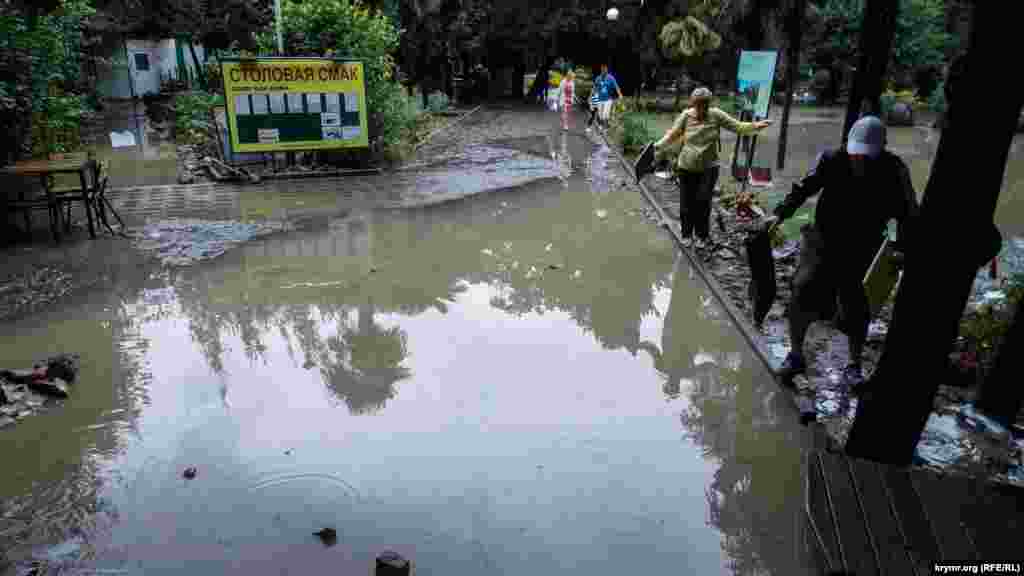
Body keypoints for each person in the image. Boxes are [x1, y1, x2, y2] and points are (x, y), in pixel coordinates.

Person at [761, 115, 919, 388]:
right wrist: (780, 215)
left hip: (863, 245)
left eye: (866, 157)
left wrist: (902, 248)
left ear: (882, 150)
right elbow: (804, 188)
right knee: (802, 291)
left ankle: (854, 364)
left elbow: (908, 214)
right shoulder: (832, 159)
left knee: (858, 304)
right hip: (823, 239)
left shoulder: (895, 170)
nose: (859, 161)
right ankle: (796, 354)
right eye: (856, 155)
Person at [652, 87, 772, 249]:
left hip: (709, 168)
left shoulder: (716, 114)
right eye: (698, 105)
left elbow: (737, 126)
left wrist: (756, 126)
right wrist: (657, 146)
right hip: (686, 167)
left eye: (705, 105)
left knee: (703, 201)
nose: (702, 109)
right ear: (693, 104)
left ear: (709, 104)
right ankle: (687, 234)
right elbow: (672, 135)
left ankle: (702, 236)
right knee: (687, 202)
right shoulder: (686, 117)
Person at [593, 63, 623, 131]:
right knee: (600, 115)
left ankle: (604, 127)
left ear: (607, 70)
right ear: (601, 69)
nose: (603, 70)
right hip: (600, 99)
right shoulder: (598, 78)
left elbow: (616, 87)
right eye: (602, 69)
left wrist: (620, 94)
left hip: (608, 99)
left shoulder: (611, 78)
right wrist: (592, 97)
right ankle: (602, 125)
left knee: (605, 114)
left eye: (605, 69)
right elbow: (595, 88)